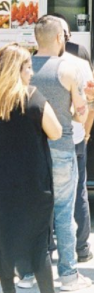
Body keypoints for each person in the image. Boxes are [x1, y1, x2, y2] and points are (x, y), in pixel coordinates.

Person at [0, 43, 69, 293]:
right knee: (37, 244)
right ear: (14, 71)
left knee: (3, 240)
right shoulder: (32, 98)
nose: (31, 72)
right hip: (31, 185)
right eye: (27, 66)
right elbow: (56, 132)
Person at [26, 15, 92, 292]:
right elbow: (80, 112)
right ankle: (68, 276)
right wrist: (81, 116)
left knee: (33, 213)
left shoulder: (23, 69)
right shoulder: (68, 70)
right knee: (65, 214)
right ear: (58, 38)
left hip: (30, 154)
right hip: (63, 150)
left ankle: (29, 274)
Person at [52, 14, 94, 264]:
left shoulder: (35, 62)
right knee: (77, 192)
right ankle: (81, 248)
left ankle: (47, 248)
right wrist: (86, 131)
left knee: (48, 192)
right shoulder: (80, 62)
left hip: (47, 138)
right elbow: (90, 101)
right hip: (76, 136)